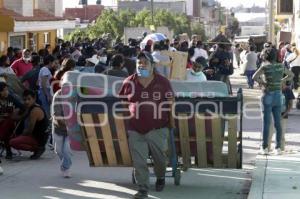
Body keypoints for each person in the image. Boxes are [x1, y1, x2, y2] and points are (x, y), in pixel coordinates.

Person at [119, 52, 174, 199]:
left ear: (152, 65)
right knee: (139, 161)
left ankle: (160, 177)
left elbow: (170, 102)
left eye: (145, 62)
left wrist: (171, 123)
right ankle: (142, 188)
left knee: (160, 159)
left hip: (158, 128)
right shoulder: (128, 82)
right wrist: (127, 123)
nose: (141, 65)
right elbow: (124, 103)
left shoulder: (162, 82)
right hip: (135, 129)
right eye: (139, 63)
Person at [252, 48, 294, 155]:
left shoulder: (265, 67)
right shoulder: (281, 66)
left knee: (266, 123)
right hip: (278, 96)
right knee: (278, 123)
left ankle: (265, 147)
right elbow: (291, 75)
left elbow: (254, 77)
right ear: (276, 56)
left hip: (268, 95)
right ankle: (278, 148)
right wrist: (282, 81)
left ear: (265, 56)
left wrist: (263, 83)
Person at [9, 90, 49, 159]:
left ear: (34, 99)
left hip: (38, 139)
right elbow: (16, 117)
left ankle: (38, 149)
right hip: (36, 136)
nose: (26, 101)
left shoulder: (35, 110)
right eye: (24, 99)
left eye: (29, 99)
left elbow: (29, 130)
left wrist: (21, 135)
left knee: (13, 142)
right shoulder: (29, 107)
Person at [0, 82, 24, 159]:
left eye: (7, 90)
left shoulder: (11, 98)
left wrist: (17, 112)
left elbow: (22, 107)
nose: (6, 92)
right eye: (3, 90)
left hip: (11, 124)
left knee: (8, 121)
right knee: (6, 126)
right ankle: (8, 152)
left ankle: (7, 149)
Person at [52, 90, 72, 178]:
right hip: (58, 128)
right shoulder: (58, 95)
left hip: (71, 130)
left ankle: (65, 167)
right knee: (59, 151)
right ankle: (67, 163)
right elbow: (58, 115)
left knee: (66, 151)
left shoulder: (77, 93)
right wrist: (68, 124)